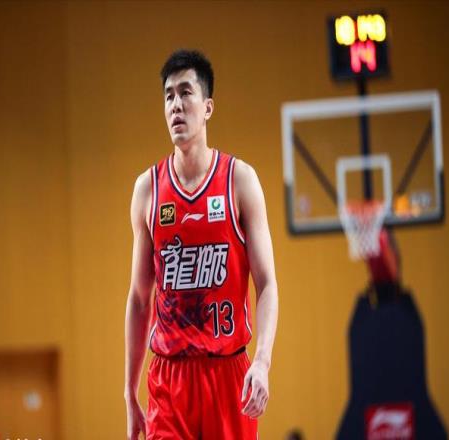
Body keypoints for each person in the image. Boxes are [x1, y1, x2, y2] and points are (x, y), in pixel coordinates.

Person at [123, 49, 278, 440]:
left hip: (228, 372)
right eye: (168, 96)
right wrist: (129, 390)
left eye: (185, 93)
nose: (176, 105)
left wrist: (262, 362)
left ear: (207, 107)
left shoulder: (240, 180)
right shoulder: (148, 189)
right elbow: (140, 299)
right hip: (169, 377)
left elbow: (267, 285)